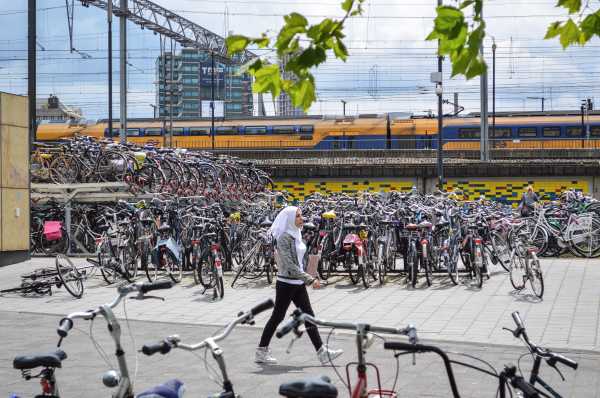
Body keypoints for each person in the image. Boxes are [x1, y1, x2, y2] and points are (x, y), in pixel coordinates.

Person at [255, 206, 343, 365]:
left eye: (301, 215)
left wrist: (305, 276)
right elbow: (289, 265)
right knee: (278, 317)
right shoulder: (284, 238)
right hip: (286, 284)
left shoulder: (296, 234)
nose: (301, 219)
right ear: (289, 219)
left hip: (297, 283)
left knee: (309, 316)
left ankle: (322, 352)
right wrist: (310, 279)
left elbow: (299, 261)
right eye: (297, 216)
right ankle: (261, 351)